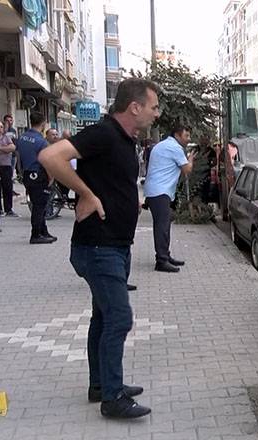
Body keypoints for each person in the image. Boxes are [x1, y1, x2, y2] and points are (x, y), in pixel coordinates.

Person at [38, 77, 161, 419]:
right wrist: (87, 194)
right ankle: (113, 398)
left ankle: (101, 385)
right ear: (134, 107)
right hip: (98, 247)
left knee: (103, 317)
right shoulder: (104, 133)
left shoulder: (123, 139)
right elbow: (50, 156)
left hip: (115, 246)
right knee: (119, 318)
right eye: (153, 107)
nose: (156, 113)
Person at [143, 125, 196, 273]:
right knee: (162, 226)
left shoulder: (162, 145)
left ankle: (165, 255)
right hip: (160, 192)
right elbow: (187, 170)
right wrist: (191, 159)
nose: (188, 139)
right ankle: (161, 261)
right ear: (177, 135)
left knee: (164, 225)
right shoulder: (175, 148)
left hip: (155, 191)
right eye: (186, 136)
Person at [16, 112, 55, 244]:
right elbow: (47, 161)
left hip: (27, 174)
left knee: (37, 203)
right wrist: (51, 177)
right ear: (43, 124)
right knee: (40, 206)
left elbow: (18, 156)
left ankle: (43, 231)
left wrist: (20, 172)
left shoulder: (22, 137)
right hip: (38, 174)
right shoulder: (41, 141)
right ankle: (36, 234)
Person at [0, 124, 18, 217]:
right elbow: (7, 149)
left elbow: (12, 148)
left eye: (1, 127)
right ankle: (0, 209)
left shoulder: (6, 138)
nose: (0, 129)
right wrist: (5, 149)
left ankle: (8, 209)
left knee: (7, 187)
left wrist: (0, 148)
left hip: (5, 166)